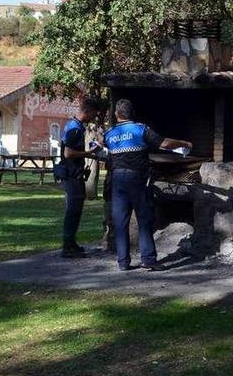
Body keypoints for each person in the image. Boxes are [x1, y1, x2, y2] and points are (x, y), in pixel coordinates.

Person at [104, 99, 192, 271]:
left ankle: (123, 262)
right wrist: (184, 143)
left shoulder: (110, 133)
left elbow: (104, 148)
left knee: (120, 221)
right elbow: (164, 143)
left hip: (117, 180)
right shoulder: (140, 129)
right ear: (131, 113)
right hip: (137, 180)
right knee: (144, 218)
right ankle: (149, 260)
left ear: (117, 114)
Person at [59, 97, 101, 259]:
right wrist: (89, 154)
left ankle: (71, 243)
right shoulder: (74, 128)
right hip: (71, 175)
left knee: (76, 210)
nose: (94, 117)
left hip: (75, 173)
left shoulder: (75, 126)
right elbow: (68, 153)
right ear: (87, 111)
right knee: (72, 210)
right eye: (93, 114)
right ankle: (67, 246)